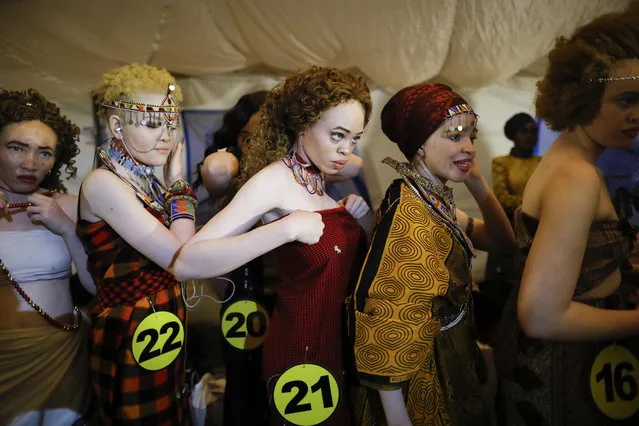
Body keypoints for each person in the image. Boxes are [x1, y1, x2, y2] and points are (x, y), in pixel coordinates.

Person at [78, 63, 323, 425]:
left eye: (170, 122)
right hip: (130, 329)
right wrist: (178, 183)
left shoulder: (144, 180)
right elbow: (180, 256)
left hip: (166, 321)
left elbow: (182, 245)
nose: (165, 135)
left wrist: (174, 183)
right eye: (150, 123)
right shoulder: (103, 183)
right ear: (117, 126)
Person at [173, 66, 371, 425]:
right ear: (302, 124)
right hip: (302, 352)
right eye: (338, 135)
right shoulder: (273, 180)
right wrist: (283, 230)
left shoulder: (316, 177)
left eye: (354, 138)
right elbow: (187, 262)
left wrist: (347, 218)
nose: (346, 149)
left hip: (337, 347)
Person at [494, 4, 639, 425]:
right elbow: (541, 315)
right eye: (626, 101)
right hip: (562, 368)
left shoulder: (566, 156)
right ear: (583, 98)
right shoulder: (577, 177)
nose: (638, 116)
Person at [353, 83, 516, 426]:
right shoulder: (411, 213)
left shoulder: (431, 198)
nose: (468, 146)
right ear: (420, 145)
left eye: (471, 136)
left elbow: (502, 242)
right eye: (455, 136)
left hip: (451, 360)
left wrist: (479, 186)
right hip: (424, 377)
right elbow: (387, 326)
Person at [0, 89, 95, 425]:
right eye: (16, 148)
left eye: (44, 153)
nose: (30, 164)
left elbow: (97, 286)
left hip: (61, 357)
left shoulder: (69, 205)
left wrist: (67, 229)